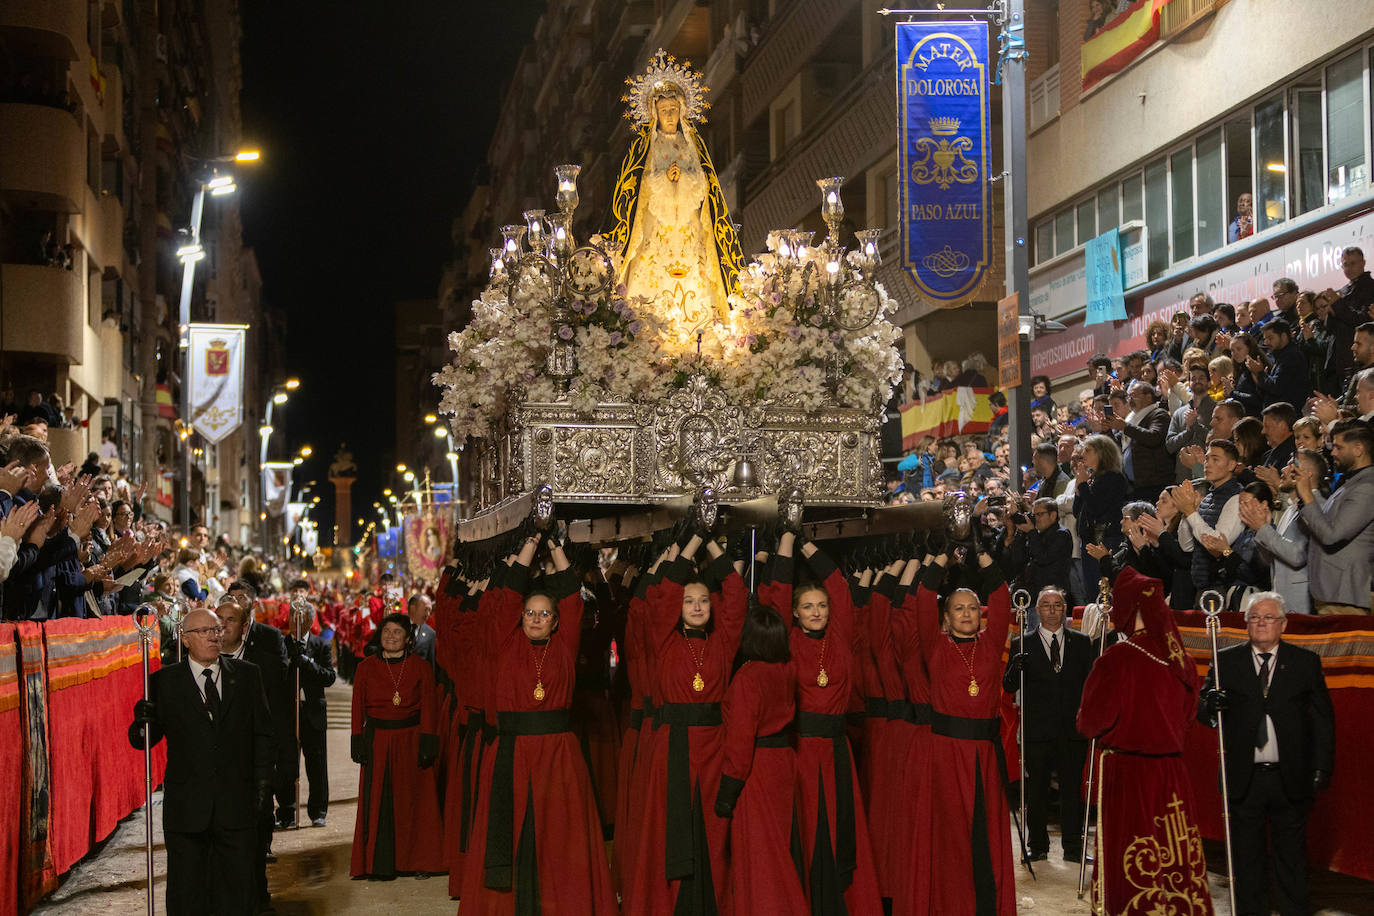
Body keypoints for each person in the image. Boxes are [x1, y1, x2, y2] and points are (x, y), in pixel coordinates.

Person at [460, 534, 616, 913]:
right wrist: (531, 543)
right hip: (511, 754)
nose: (535, 619)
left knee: (560, 839)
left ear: (557, 621)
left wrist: (555, 543)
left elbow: (572, 595)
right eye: (530, 612)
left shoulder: (564, 646)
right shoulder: (505, 642)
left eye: (545, 614)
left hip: (557, 758)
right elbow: (507, 596)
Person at [1077, 566, 1214, 916]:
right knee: (1174, 858)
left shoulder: (1118, 658)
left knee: (1134, 860)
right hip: (1173, 776)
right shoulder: (1180, 661)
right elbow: (1187, 717)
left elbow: (1090, 723)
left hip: (1130, 776)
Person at [759, 532, 884, 914]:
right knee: (808, 831)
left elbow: (839, 588)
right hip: (801, 750)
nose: (816, 612)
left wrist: (807, 544)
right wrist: (785, 543)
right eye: (807, 606)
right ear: (795, 612)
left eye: (821, 606)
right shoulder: (786, 640)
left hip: (836, 750)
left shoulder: (841, 637)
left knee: (841, 831)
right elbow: (774, 595)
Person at [623, 531, 746, 915]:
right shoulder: (664, 640)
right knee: (668, 829)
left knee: (712, 831)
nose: (696, 607)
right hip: (671, 747)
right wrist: (692, 541)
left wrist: (713, 543)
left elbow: (737, 595)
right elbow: (661, 596)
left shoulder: (723, 642)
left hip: (714, 747)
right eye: (688, 602)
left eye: (703, 601)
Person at [128, 607, 275, 916]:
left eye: (217, 629)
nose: (214, 635)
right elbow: (142, 740)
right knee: (188, 894)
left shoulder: (248, 675)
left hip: (237, 805)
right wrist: (142, 720)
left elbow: (263, 735)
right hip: (187, 808)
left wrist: (263, 788)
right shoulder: (164, 682)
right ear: (185, 639)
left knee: (237, 891)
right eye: (205, 631)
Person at [1197, 593, 1335, 916]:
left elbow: (1323, 721)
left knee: (1292, 859)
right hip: (1244, 780)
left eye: (1268, 617)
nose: (1261, 623)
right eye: (1254, 617)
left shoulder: (1305, 663)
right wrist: (1211, 705)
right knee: (1247, 861)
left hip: (1291, 777)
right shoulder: (1226, 662)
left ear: (1283, 624)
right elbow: (1203, 712)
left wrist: (1322, 768)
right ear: (1246, 625)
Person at [911, 548, 1015, 915]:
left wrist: (983, 555)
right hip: (945, 754)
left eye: (972, 607)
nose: (967, 613)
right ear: (946, 616)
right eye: (958, 608)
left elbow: (1001, 599)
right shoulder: (935, 646)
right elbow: (922, 600)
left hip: (984, 757)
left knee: (984, 836)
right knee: (951, 836)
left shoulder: (990, 644)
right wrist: (940, 557)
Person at [609, 50, 743, 328]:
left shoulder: (693, 147)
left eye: (673, 110)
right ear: (654, 114)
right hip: (655, 227)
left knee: (699, 281)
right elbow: (636, 188)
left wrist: (683, 179)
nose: (669, 115)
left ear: (682, 111)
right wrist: (663, 179)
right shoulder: (644, 148)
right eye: (664, 111)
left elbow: (706, 186)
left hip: (689, 228)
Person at [713, 599, 808, 914]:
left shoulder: (747, 678)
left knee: (761, 854)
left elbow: (740, 744)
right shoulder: (786, 670)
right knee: (781, 845)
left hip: (757, 770)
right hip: (785, 762)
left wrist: (726, 794)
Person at [1002, 586, 1095, 863]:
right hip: (1037, 731)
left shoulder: (1082, 642)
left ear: (1065, 609)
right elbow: (1008, 686)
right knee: (1038, 790)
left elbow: (1091, 685)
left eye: (1057, 605)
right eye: (1046, 605)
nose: (1052, 610)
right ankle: (1037, 846)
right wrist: (1013, 668)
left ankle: (1073, 848)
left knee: (1070, 791)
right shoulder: (1022, 643)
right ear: (1037, 610)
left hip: (1071, 731)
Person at [350, 612, 445, 879]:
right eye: (387, 632)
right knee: (379, 801)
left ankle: (420, 860)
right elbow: (358, 706)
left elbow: (429, 705)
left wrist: (429, 739)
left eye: (397, 633)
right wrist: (357, 739)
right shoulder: (365, 667)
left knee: (416, 802)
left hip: (412, 740)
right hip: (378, 740)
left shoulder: (420, 667)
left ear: (407, 639)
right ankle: (377, 863)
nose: (391, 637)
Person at [1297, 420, 1374, 614]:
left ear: (1358, 449)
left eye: (1339, 447)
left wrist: (1307, 496)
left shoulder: (1367, 487)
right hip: (1333, 592)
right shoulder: (1352, 482)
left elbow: (1332, 535)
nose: (1332, 452)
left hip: (1346, 596)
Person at [1174, 440, 1246, 594]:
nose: (1207, 464)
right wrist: (1186, 512)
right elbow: (1186, 546)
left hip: (1222, 586)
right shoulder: (1208, 497)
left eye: (1215, 459)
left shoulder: (1237, 498)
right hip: (1201, 586)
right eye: (1206, 459)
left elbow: (1218, 544)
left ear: (1232, 465)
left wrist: (1191, 512)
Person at [290, 601, 337, 828]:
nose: (295, 622)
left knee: (317, 765)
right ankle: (287, 811)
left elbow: (329, 676)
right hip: (289, 712)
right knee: (288, 765)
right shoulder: (282, 644)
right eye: (292, 617)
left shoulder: (321, 645)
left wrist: (307, 662)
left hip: (313, 712)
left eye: (300, 618)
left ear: (310, 621)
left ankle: (318, 811)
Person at [407, 593, 436, 667]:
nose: (428, 614)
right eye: (426, 609)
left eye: (430, 611)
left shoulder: (430, 633)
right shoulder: (394, 623)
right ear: (413, 608)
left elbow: (430, 664)